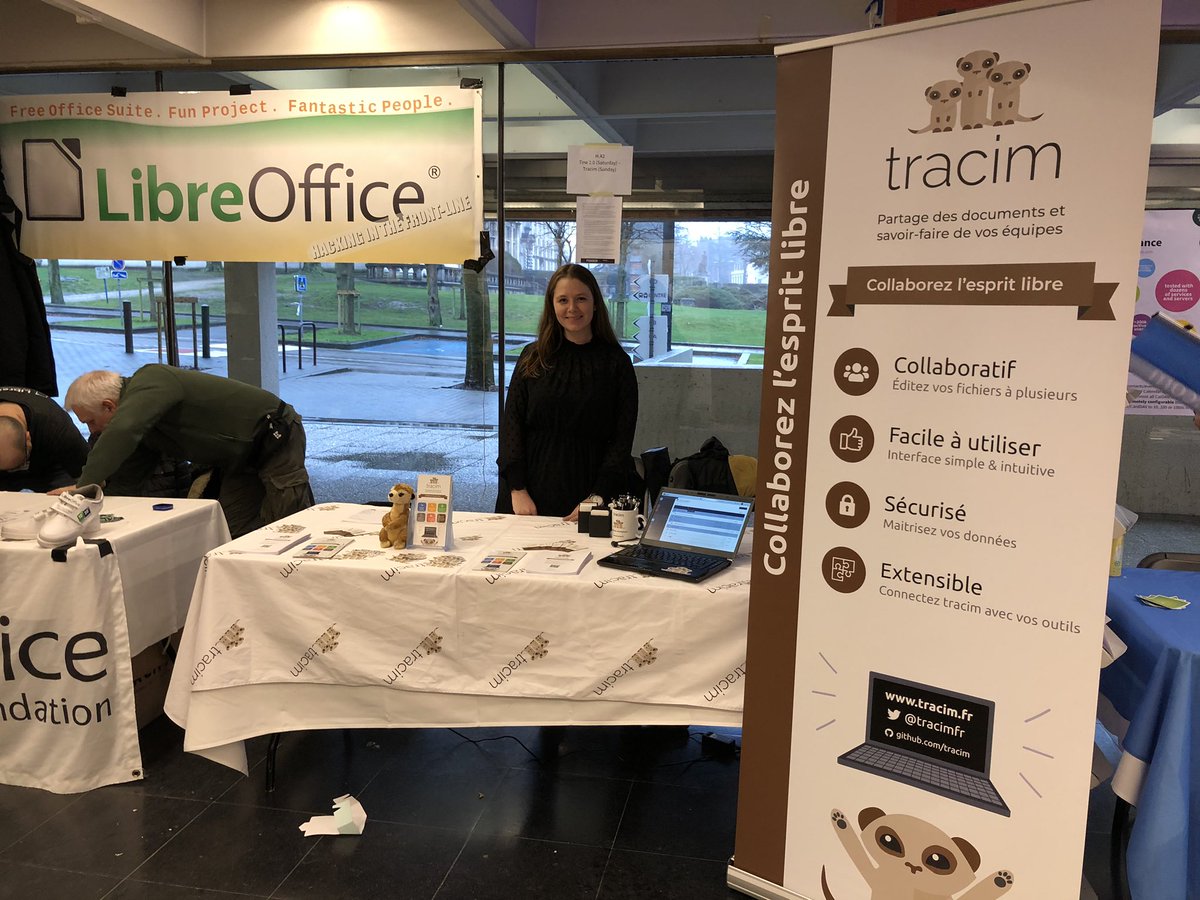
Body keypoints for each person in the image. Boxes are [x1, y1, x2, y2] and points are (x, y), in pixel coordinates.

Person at [66, 366, 315, 537]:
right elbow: (127, 483)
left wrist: (83, 490)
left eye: (91, 422)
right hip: (239, 459)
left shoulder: (152, 379)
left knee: (288, 523)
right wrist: (90, 510)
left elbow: (124, 430)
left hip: (274, 437)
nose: (92, 431)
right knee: (231, 531)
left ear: (109, 406)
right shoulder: (144, 428)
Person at [496, 263, 638, 520]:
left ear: (595, 303)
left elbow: (622, 439)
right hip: (526, 495)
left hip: (591, 493)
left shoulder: (617, 364)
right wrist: (517, 489)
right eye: (563, 300)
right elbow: (511, 425)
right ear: (552, 305)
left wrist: (597, 497)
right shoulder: (532, 357)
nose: (572, 308)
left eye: (581, 298)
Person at [0, 386, 88, 492]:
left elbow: (91, 477)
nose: (15, 471)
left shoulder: (56, 425)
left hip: (49, 466)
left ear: (28, 438)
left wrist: (76, 490)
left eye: (20, 465)